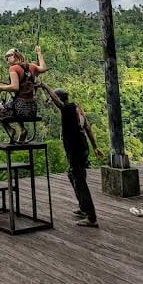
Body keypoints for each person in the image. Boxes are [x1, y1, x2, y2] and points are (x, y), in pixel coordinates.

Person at [44, 87, 103, 228]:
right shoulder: (76, 108)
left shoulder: (68, 109)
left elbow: (57, 102)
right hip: (82, 147)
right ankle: (83, 208)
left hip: (76, 149)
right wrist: (95, 147)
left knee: (80, 180)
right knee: (73, 175)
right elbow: (87, 127)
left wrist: (45, 87)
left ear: (60, 99)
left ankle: (91, 217)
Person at [0, 46, 46, 143]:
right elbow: (43, 68)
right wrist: (39, 53)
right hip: (32, 108)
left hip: (21, 108)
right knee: (11, 103)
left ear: (14, 56)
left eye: (8, 58)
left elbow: (15, 87)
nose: (7, 62)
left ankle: (11, 130)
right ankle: (22, 130)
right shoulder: (31, 66)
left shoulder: (13, 69)